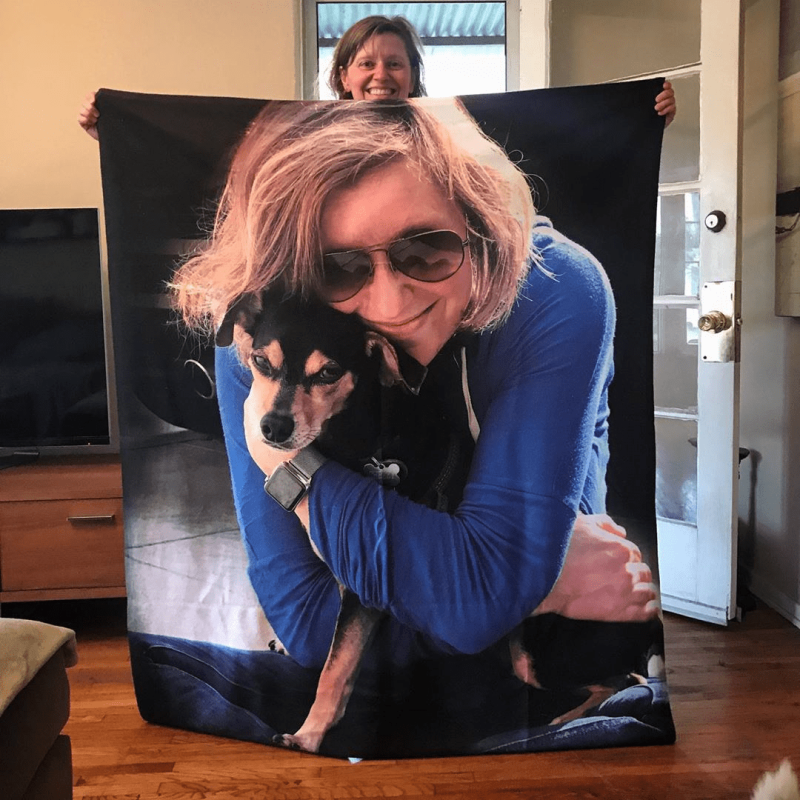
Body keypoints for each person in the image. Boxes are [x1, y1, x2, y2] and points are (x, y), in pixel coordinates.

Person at [77, 14, 677, 138]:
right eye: (366, 63)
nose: (380, 75)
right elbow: (207, 144)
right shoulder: (306, 131)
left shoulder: (451, 129)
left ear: (413, 75)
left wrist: (635, 118)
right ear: (343, 75)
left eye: (395, 63)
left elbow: (544, 139)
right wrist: (120, 132)